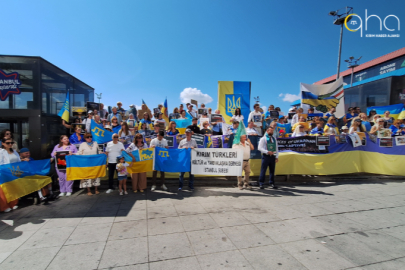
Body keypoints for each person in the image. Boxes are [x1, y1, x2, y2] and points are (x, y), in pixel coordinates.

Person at [0, 137, 21, 212]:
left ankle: (13, 203)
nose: (10, 144)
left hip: (15, 172)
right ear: (3, 143)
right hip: (5, 172)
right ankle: (4, 206)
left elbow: (18, 161)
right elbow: (1, 163)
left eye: (11, 143)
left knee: (13, 188)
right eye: (8, 143)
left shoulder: (14, 151)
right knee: (5, 190)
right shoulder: (1, 152)